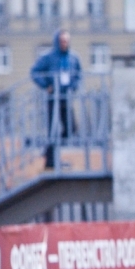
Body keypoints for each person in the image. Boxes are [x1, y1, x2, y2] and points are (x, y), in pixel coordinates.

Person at [30, 29, 83, 169]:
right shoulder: (48, 57)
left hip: (66, 98)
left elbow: (79, 75)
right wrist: (46, 85)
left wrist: (73, 86)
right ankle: (51, 161)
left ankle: (48, 152)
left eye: (66, 41)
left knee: (70, 128)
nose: (64, 43)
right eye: (62, 41)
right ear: (57, 42)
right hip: (53, 98)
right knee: (53, 129)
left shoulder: (73, 58)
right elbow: (34, 72)